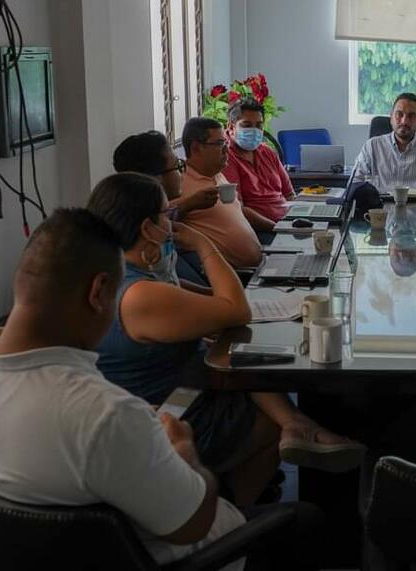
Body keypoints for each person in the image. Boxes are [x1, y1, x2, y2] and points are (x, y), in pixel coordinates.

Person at [0, 209, 250, 567]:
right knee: (299, 516)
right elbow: (192, 525)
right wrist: (185, 453)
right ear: (98, 292)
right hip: (167, 554)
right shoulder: (105, 416)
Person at [87, 173, 365, 507]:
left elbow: (208, 303)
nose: (173, 223)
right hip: (167, 415)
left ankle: (298, 425)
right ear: (148, 228)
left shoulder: (121, 276)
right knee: (258, 396)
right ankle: (228, 518)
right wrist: (204, 244)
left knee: (247, 359)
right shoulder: (141, 295)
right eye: (166, 215)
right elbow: (236, 311)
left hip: (176, 391)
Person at [113, 130, 218, 286]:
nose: (182, 173)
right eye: (177, 166)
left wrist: (210, 297)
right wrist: (202, 243)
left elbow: (170, 281)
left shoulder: (156, 222)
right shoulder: (138, 243)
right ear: (155, 179)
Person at [179, 117, 264, 267]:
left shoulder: (218, 174)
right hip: (231, 274)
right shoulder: (180, 184)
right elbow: (160, 218)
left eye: (225, 142)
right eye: (219, 143)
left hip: (258, 265)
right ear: (196, 148)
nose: (226, 148)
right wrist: (187, 204)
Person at [222, 98, 296, 232]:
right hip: (259, 230)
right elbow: (238, 209)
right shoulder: (224, 157)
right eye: (247, 125)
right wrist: (278, 229)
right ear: (231, 127)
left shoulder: (267, 152)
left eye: (259, 125)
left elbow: (289, 194)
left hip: (288, 223)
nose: (254, 131)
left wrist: (300, 219)